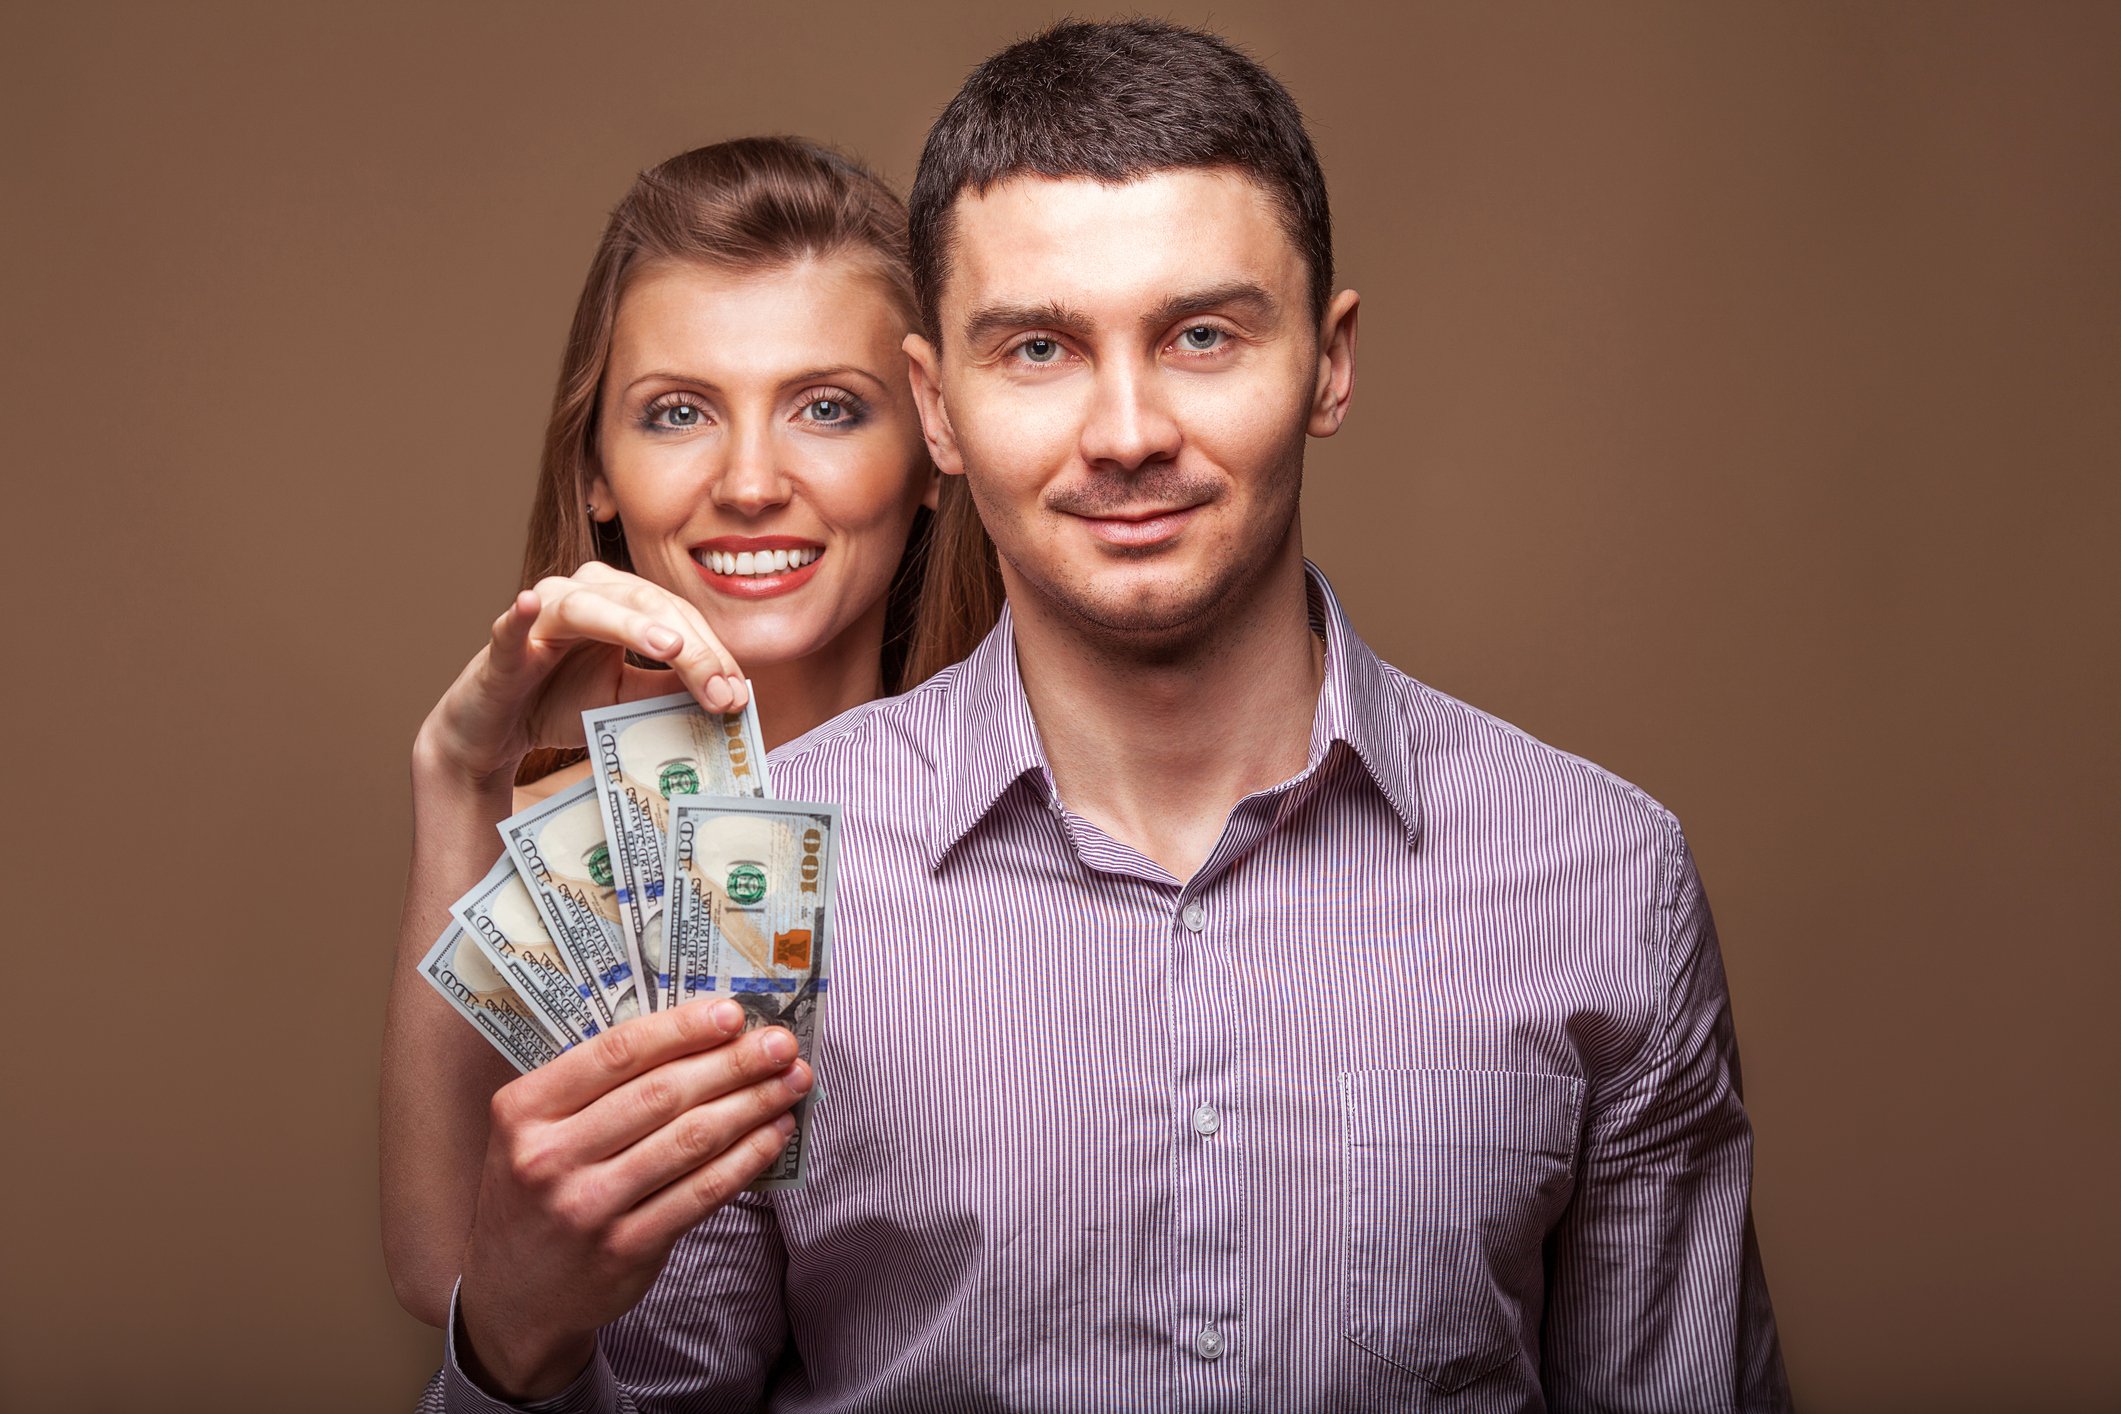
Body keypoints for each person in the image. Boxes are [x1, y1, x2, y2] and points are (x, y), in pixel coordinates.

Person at [425, 22, 1791, 1411]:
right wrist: (514, 1347)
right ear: (936, 409)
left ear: (1328, 363)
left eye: (1201, 335)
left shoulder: (1604, 880)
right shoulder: (739, 882)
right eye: (1039, 347)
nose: (1128, 430)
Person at [380, 135, 1001, 1332]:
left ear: (935, 446)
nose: (751, 482)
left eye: (827, 407)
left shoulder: (1035, 804)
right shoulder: (566, 869)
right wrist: (457, 774)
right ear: (597, 470)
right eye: (677, 413)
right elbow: (452, 1277)